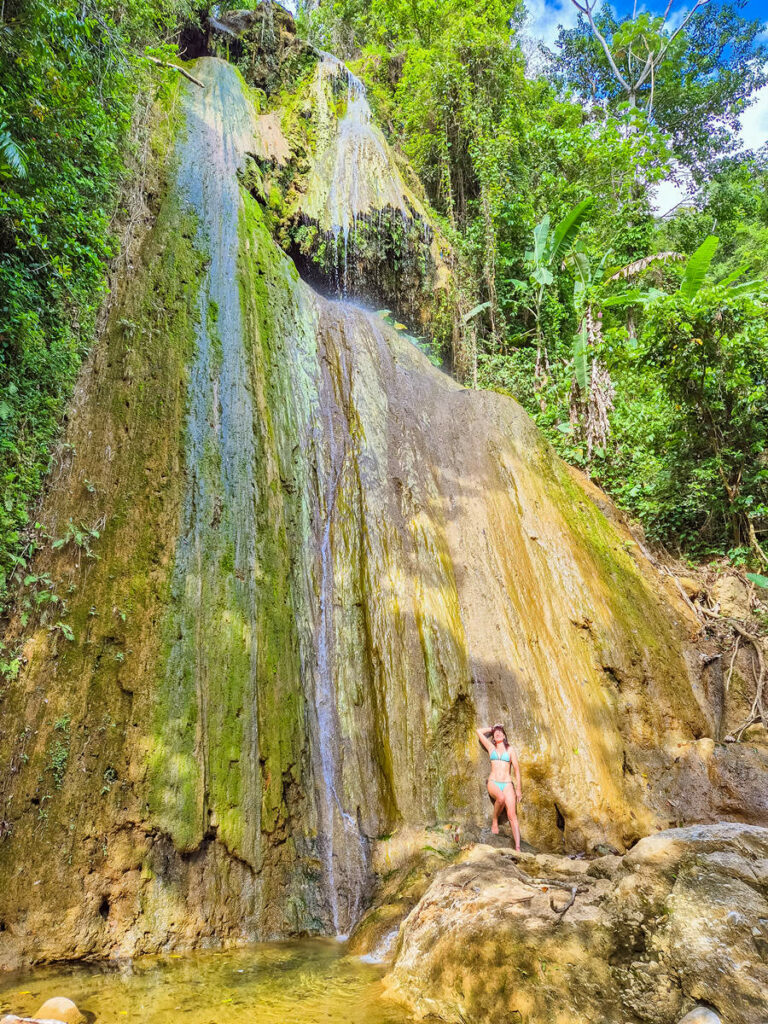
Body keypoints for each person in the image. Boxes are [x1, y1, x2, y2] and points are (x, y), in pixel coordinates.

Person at [476, 723, 522, 850]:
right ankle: (495, 820)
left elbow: (517, 770)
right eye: (495, 733)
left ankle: (518, 847)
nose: (497, 733)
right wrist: (492, 728)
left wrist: (518, 789)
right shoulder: (491, 747)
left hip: (507, 784)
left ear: (504, 735)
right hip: (493, 782)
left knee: (512, 815)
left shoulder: (510, 750)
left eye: (500, 731)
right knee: (500, 798)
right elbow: (479, 731)